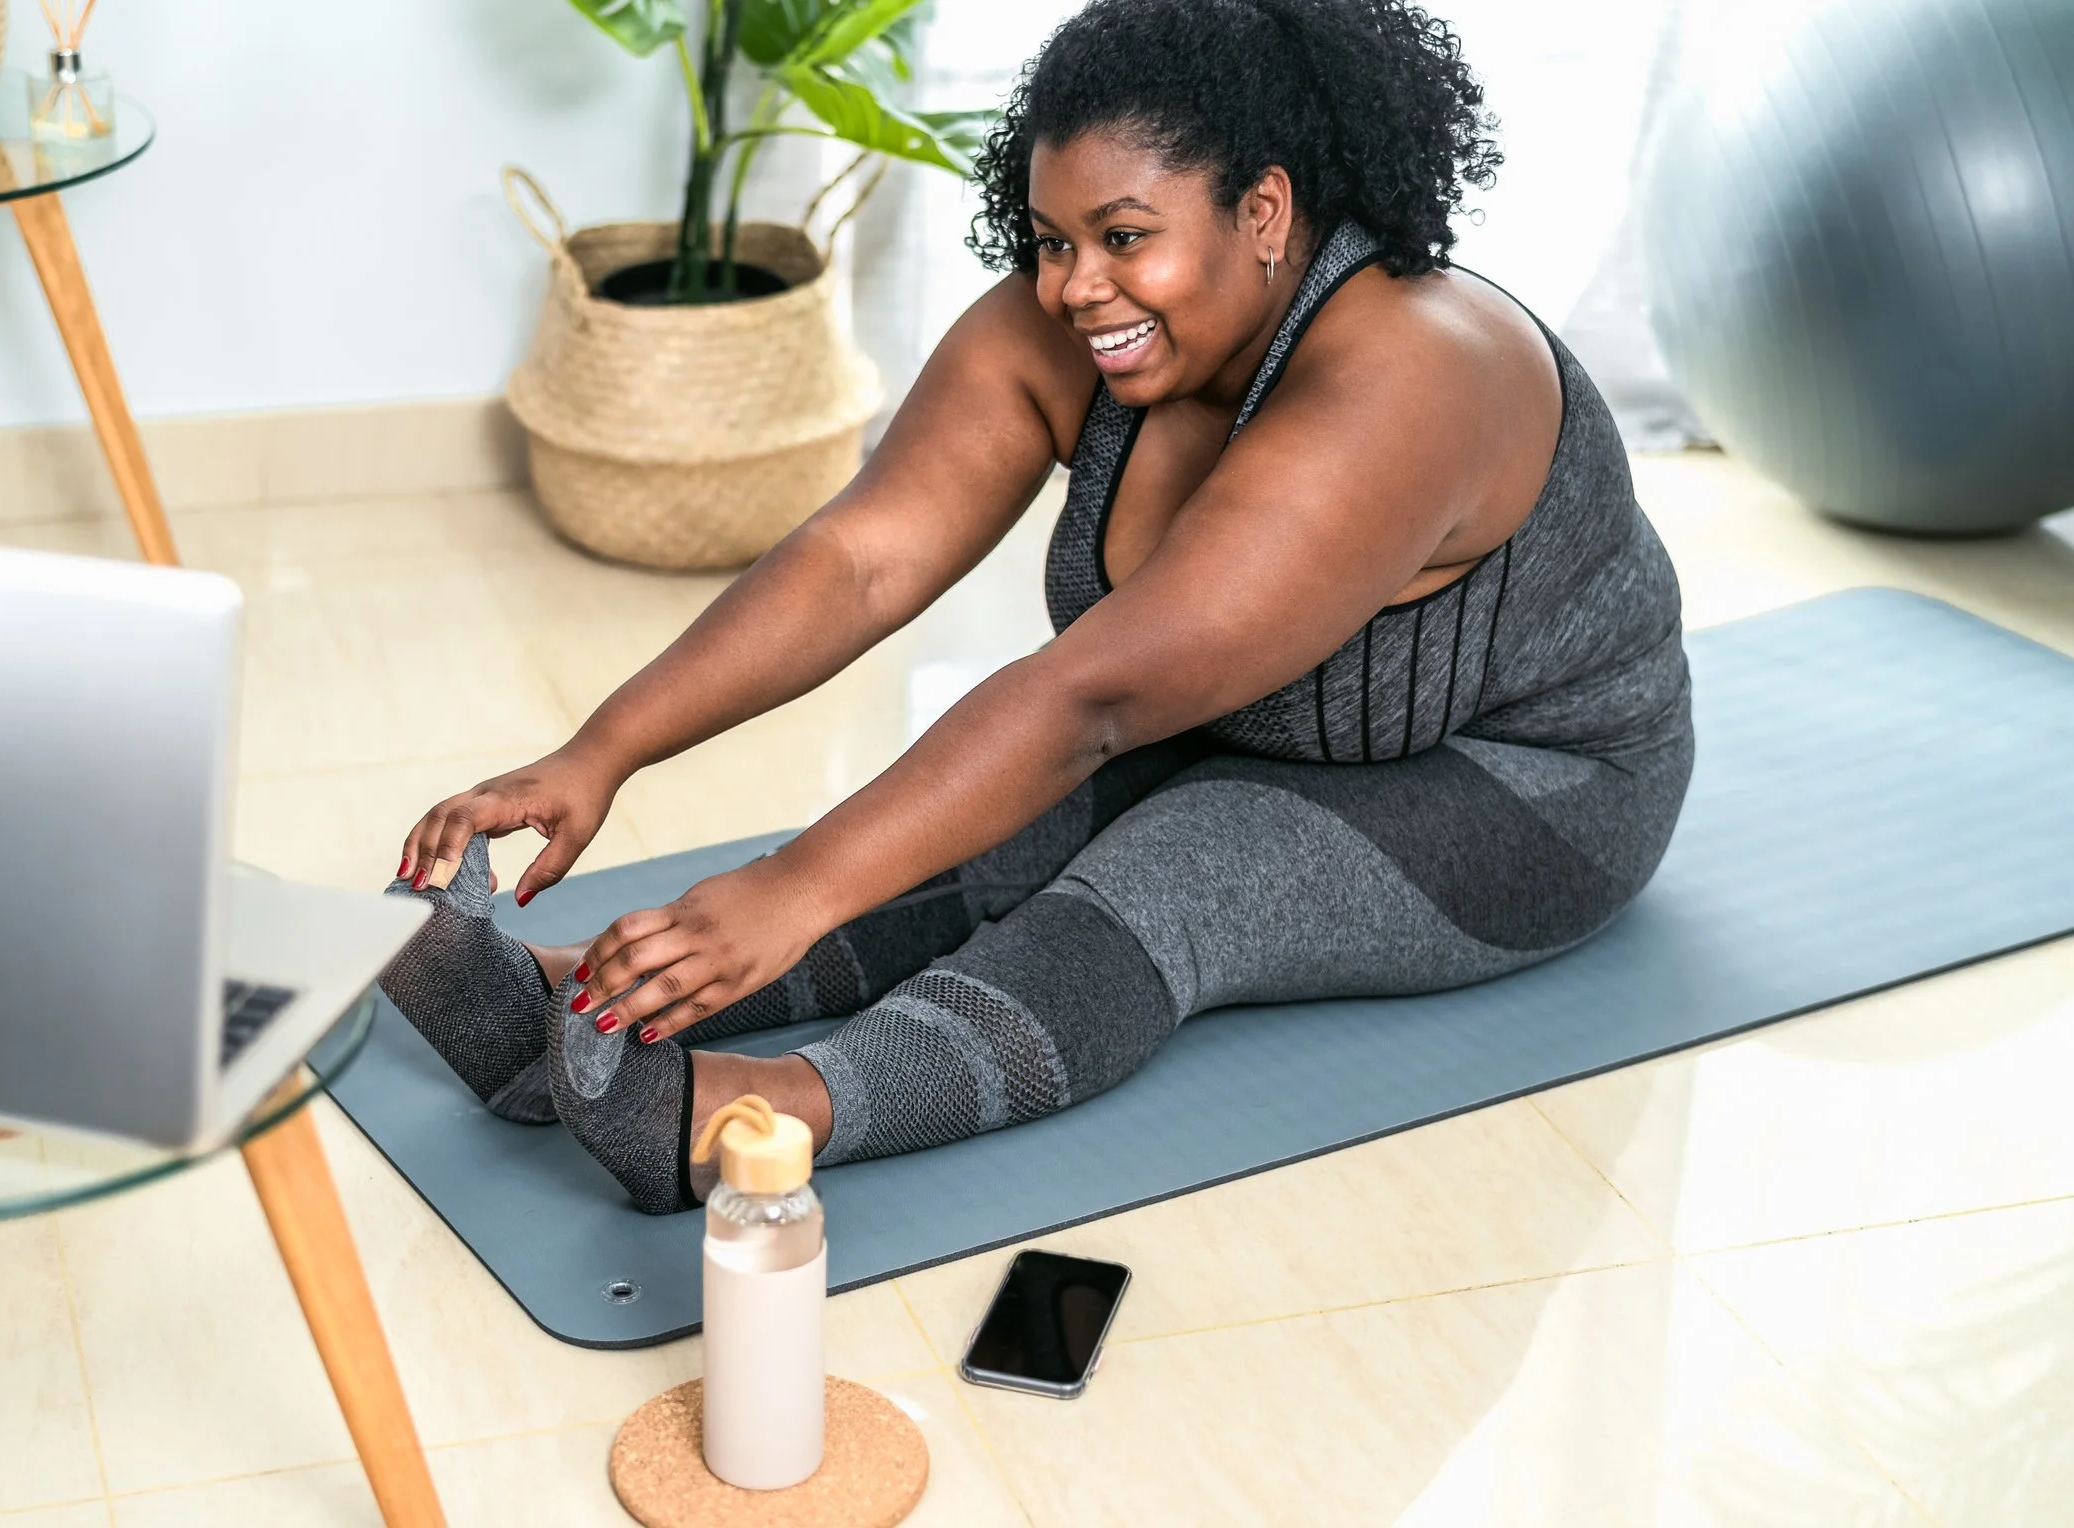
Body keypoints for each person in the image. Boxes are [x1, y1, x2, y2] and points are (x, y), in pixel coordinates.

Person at [381, 0, 1692, 1213]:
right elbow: (863, 558)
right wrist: (598, 753)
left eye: (1126, 238)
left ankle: (772, 1113)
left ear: (1266, 210)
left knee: (1184, 855)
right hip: (1255, 732)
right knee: (996, 813)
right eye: (1055, 241)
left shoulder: (1410, 378)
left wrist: (793, 884)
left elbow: (1096, 695)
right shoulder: (1069, 330)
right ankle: (591, 1006)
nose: (1076, 288)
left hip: (1532, 786)